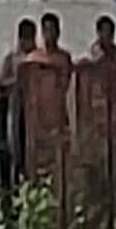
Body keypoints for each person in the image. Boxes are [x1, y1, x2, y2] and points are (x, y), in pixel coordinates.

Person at [0, 18, 38, 189]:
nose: (27, 41)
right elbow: (1, 83)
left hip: (35, 113)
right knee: (16, 153)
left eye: (30, 37)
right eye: (24, 37)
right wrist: (18, 79)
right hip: (16, 110)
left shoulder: (38, 58)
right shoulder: (11, 59)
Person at [27, 12, 73, 141]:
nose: (49, 34)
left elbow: (66, 83)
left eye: (52, 29)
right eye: (46, 30)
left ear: (58, 32)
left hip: (57, 112)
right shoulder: (33, 57)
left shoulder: (64, 58)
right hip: (38, 114)